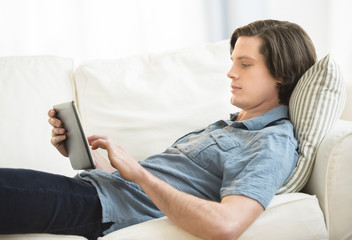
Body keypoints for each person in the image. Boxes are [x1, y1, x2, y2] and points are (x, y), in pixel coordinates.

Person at [0, 19, 316, 240]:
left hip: (97, 206)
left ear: (282, 73)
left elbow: (226, 225)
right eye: (232, 61)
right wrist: (86, 154)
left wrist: (139, 172)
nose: (231, 72)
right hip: (95, 191)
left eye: (245, 64)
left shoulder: (271, 143)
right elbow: (149, 191)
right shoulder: (231, 125)